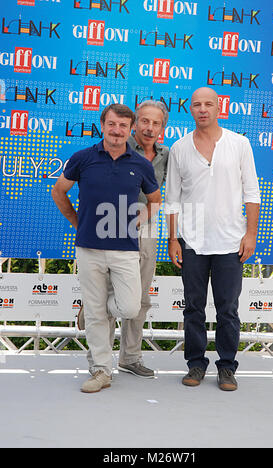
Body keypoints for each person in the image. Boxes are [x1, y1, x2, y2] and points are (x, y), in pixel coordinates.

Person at [51, 104, 162, 393]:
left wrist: (144, 216)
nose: (117, 131)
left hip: (125, 248)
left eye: (123, 126)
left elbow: (156, 200)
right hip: (88, 248)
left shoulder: (141, 164)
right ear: (103, 125)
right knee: (99, 317)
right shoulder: (82, 158)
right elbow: (59, 191)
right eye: (112, 124)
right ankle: (101, 370)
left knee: (129, 306)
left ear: (131, 130)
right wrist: (77, 221)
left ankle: (94, 306)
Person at [165, 87, 260, 391]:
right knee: (193, 307)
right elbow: (172, 198)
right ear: (189, 110)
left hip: (231, 242)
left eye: (209, 104)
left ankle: (227, 367)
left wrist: (250, 235)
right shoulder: (180, 148)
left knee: (228, 309)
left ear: (220, 107)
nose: (202, 109)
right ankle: (195, 364)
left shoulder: (240, 144)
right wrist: (173, 239)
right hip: (192, 242)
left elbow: (252, 192)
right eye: (197, 105)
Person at [77, 100, 169, 378]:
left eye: (156, 123)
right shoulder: (117, 145)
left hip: (146, 226)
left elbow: (163, 197)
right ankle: (98, 363)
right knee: (102, 295)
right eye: (144, 121)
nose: (149, 127)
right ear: (134, 122)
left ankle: (130, 357)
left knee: (138, 300)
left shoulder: (167, 155)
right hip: (109, 225)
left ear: (163, 127)